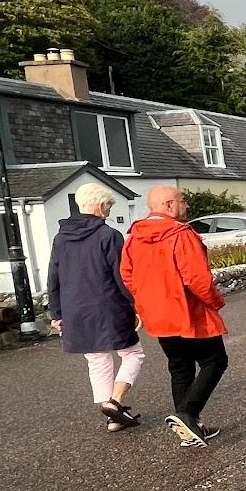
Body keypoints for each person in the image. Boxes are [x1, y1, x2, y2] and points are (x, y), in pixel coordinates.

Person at [120, 184, 228, 447]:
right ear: (169, 205)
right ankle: (188, 413)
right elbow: (197, 278)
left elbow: (127, 274)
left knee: (180, 368)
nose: (186, 206)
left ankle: (190, 428)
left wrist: (147, 301)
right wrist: (216, 301)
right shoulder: (180, 234)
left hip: (158, 314)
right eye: (182, 201)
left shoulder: (134, 237)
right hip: (188, 311)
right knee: (215, 360)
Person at [46, 182, 143, 432]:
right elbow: (122, 276)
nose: (109, 212)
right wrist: (137, 306)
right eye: (109, 206)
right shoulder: (108, 235)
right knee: (133, 353)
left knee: (97, 361)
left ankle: (112, 417)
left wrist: (57, 313)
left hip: (75, 310)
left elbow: (54, 277)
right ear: (100, 205)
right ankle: (115, 402)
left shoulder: (61, 238)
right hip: (109, 306)